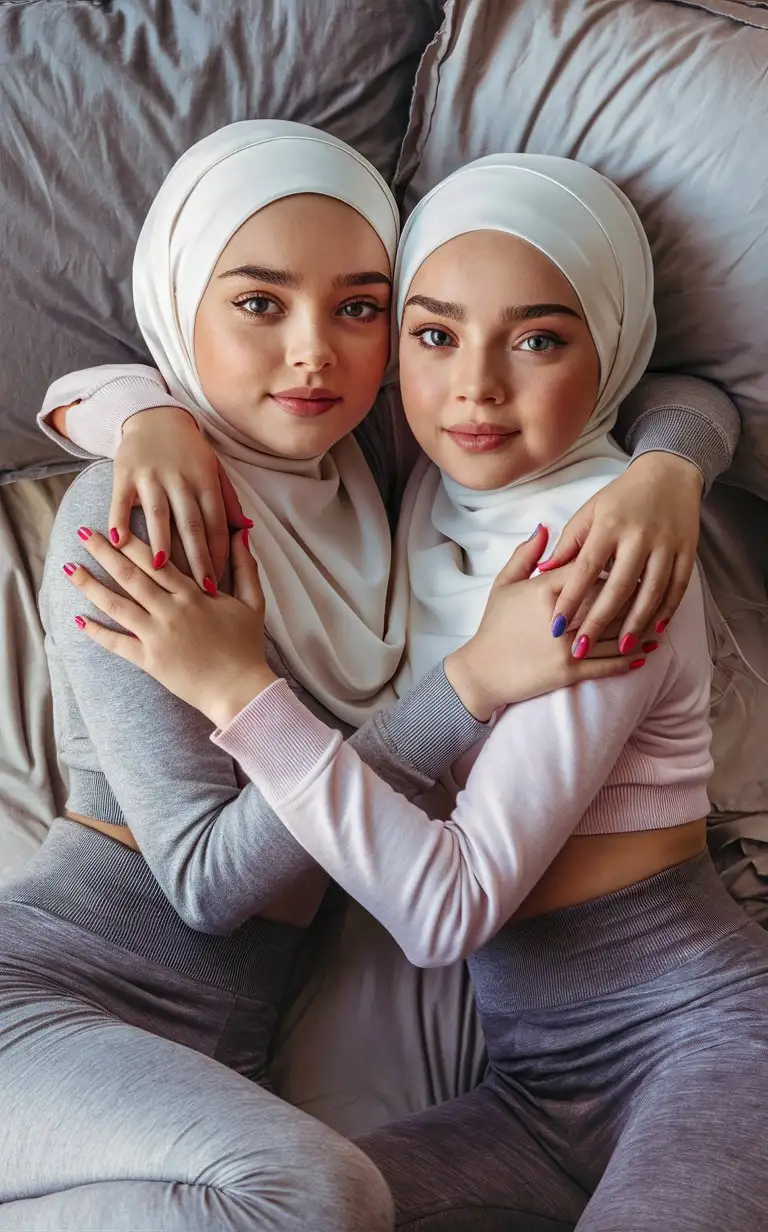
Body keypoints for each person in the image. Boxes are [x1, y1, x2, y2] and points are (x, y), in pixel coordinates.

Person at [70, 154, 768, 1232]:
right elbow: (149, 379)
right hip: (533, 1090)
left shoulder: (601, 559)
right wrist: (140, 415)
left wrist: (663, 475)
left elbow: (449, 909)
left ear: (614, 342)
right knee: (283, 1209)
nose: (476, 387)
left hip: (698, 1039)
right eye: (433, 334)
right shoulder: (414, 471)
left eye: (539, 337)